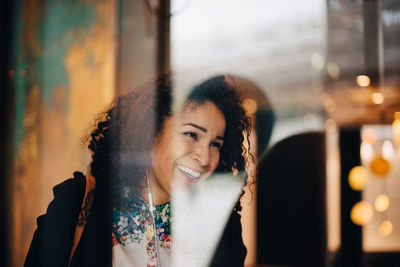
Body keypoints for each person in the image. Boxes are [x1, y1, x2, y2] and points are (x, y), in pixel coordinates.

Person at [24, 74, 252, 267]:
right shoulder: (78, 202)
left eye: (215, 144)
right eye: (191, 134)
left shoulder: (222, 227)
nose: (204, 158)